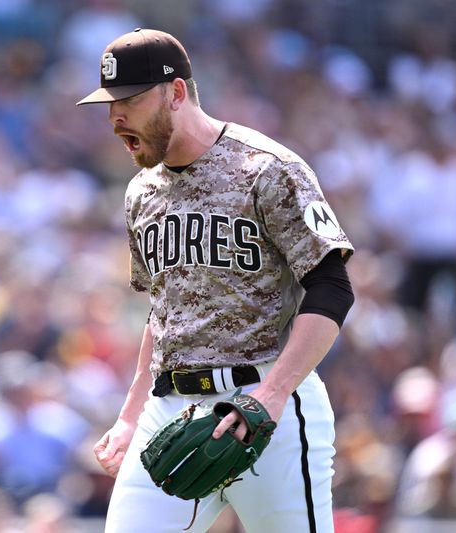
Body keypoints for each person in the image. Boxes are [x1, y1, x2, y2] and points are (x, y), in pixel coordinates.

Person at [76, 28, 355, 533]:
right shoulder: (141, 192)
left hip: (269, 405)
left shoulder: (267, 169)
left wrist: (268, 399)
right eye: (108, 103)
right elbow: (165, 312)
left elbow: (333, 287)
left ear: (176, 93)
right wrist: (130, 414)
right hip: (171, 412)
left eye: (130, 100)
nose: (116, 117)